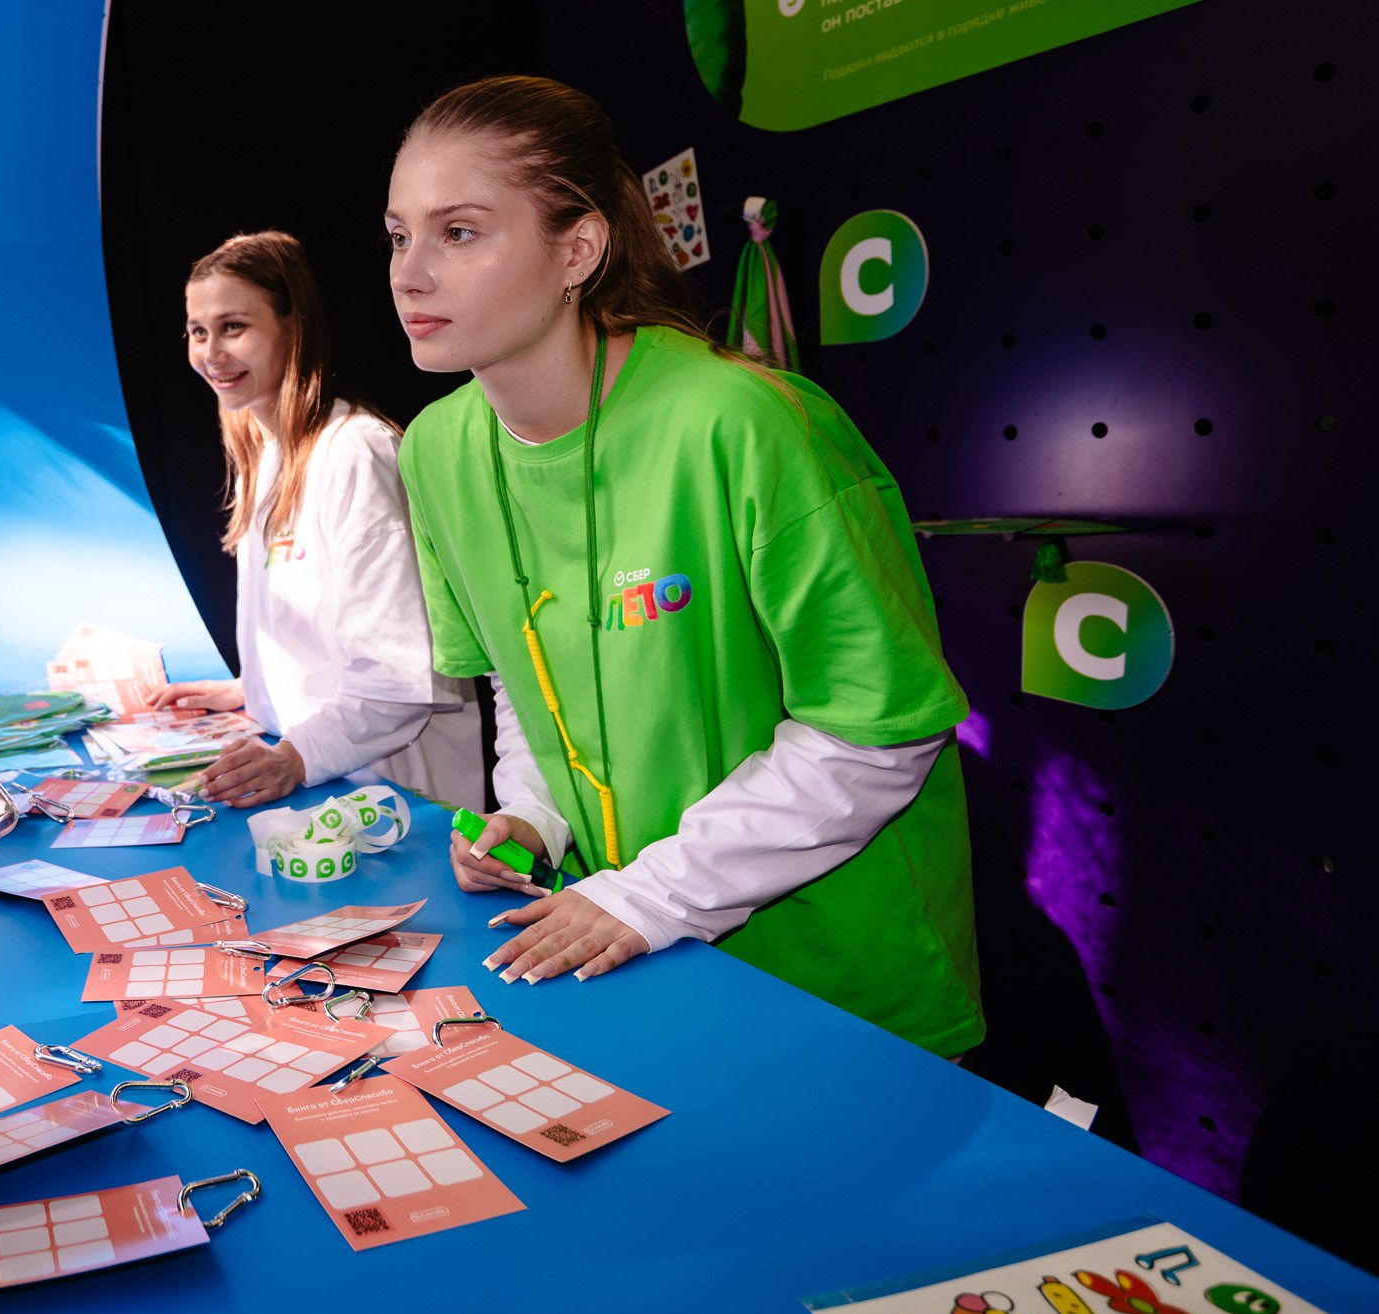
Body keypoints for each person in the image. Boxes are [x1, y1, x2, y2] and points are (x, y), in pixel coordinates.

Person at [388, 75, 982, 1059]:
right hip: (628, 953)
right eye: (398, 235)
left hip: (831, 983)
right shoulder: (434, 452)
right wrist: (532, 813)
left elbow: (877, 732)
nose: (409, 273)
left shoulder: (745, 422)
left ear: (577, 249)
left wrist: (653, 891)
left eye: (457, 232)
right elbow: (522, 680)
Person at [145, 231, 481, 809]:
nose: (211, 353)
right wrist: (252, 690)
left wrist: (292, 758)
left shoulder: (355, 452)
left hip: (398, 810)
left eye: (233, 327)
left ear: (293, 327)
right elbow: (322, 647)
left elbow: (400, 679)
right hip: (323, 796)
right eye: (198, 332)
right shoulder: (264, 453)